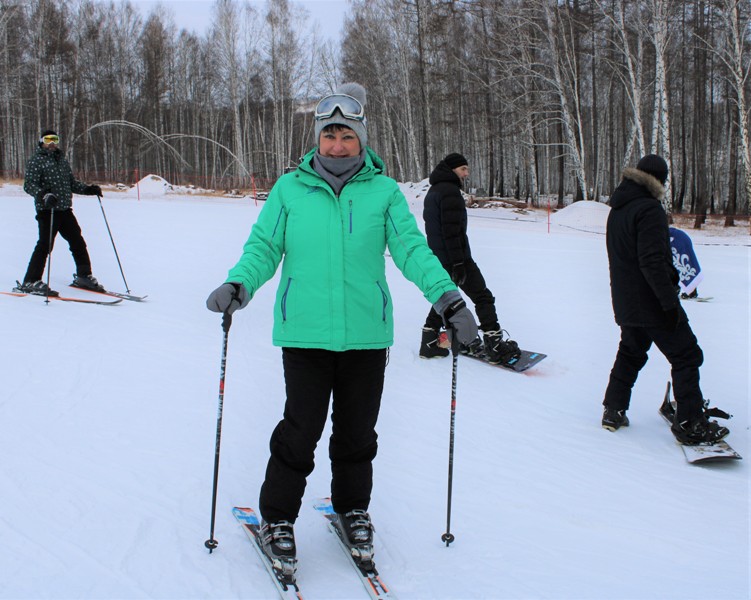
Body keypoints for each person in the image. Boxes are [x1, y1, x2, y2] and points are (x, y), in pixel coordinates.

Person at [206, 83, 478, 578]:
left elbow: (414, 252)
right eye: (329, 134)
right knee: (300, 431)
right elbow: (264, 247)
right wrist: (239, 282)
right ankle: (277, 519)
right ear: (317, 138)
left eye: (346, 136)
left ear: (361, 140)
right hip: (304, 335)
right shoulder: (291, 189)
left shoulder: (384, 192)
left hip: (366, 338)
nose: (337, 144)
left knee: (357, 434)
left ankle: (353, 509)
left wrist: (448, 298)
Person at [601, 153, 729, 444]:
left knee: (631, 352)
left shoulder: (618, 208)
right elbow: (652, 262)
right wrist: (669, 302)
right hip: (652, 301)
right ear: (660, 180)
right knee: (687, 354)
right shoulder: (650, 209)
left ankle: (613, 408)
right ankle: (690, 422)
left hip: (625, 300)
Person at [419, 153, 521, 364]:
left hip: (440, 257)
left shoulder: (435, 190)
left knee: (445, 298)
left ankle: (429, 341)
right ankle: (494, 344)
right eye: (463, 169)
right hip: (457, 258)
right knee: (483, 296)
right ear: (453, 169)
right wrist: (458, 263)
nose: (466, 174)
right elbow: (451, 232)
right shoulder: (450, 192)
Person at [15, 129, 105, 296]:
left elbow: (71, 183)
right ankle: (31, 280)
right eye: (48, 139)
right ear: (41, 141)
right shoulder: (37, 160)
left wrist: (88, 189)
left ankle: (83, 276)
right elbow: (29, 185)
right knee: (45, 245)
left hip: (64, 209)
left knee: (77, 241)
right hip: (47, 210)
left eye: (55, 139)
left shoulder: (61, 160)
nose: (52, 143)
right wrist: (44, 195)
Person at [668, 227, 703, 299]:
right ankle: (689, 290)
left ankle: (677, 288)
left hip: (677, 241)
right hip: (680, 239)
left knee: (678, 264)